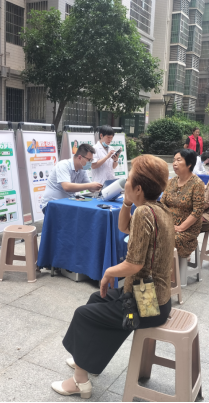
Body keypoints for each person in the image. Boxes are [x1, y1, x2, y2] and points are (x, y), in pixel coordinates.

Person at [52, 155, 174, 399]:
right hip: (152, 298)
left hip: (145, 305)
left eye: (127, 180)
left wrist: (108, 272)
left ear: (138, 188)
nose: (124, 182)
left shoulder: (145, 214)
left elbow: (134, 263)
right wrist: (127, 204)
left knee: (84, 316)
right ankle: (84, 360)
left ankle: (80, 382)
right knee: (97, 300)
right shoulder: (158, 209)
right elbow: (123, 229)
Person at [162, 149, 205, 259]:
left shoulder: (197, 184)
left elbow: (198, 210)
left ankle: (169, 273)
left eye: (178, 160)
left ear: (189, 164)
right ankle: (150, 269)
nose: (174, 163)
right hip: (169, 225)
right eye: (174, 160)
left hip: (187, 230)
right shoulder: (171, 182)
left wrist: (180, 227)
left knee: (167, 238)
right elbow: (162, 204)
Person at [41, 144, 103, 209]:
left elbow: (91, 188)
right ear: (79, 157)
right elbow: (67, 187)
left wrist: (101, 188)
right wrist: (90, 186)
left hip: (67, 203)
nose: (90, 163)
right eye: (89, 160)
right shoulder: (63, 165)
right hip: (52, 204)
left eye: (91, 160)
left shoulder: (82, 170)